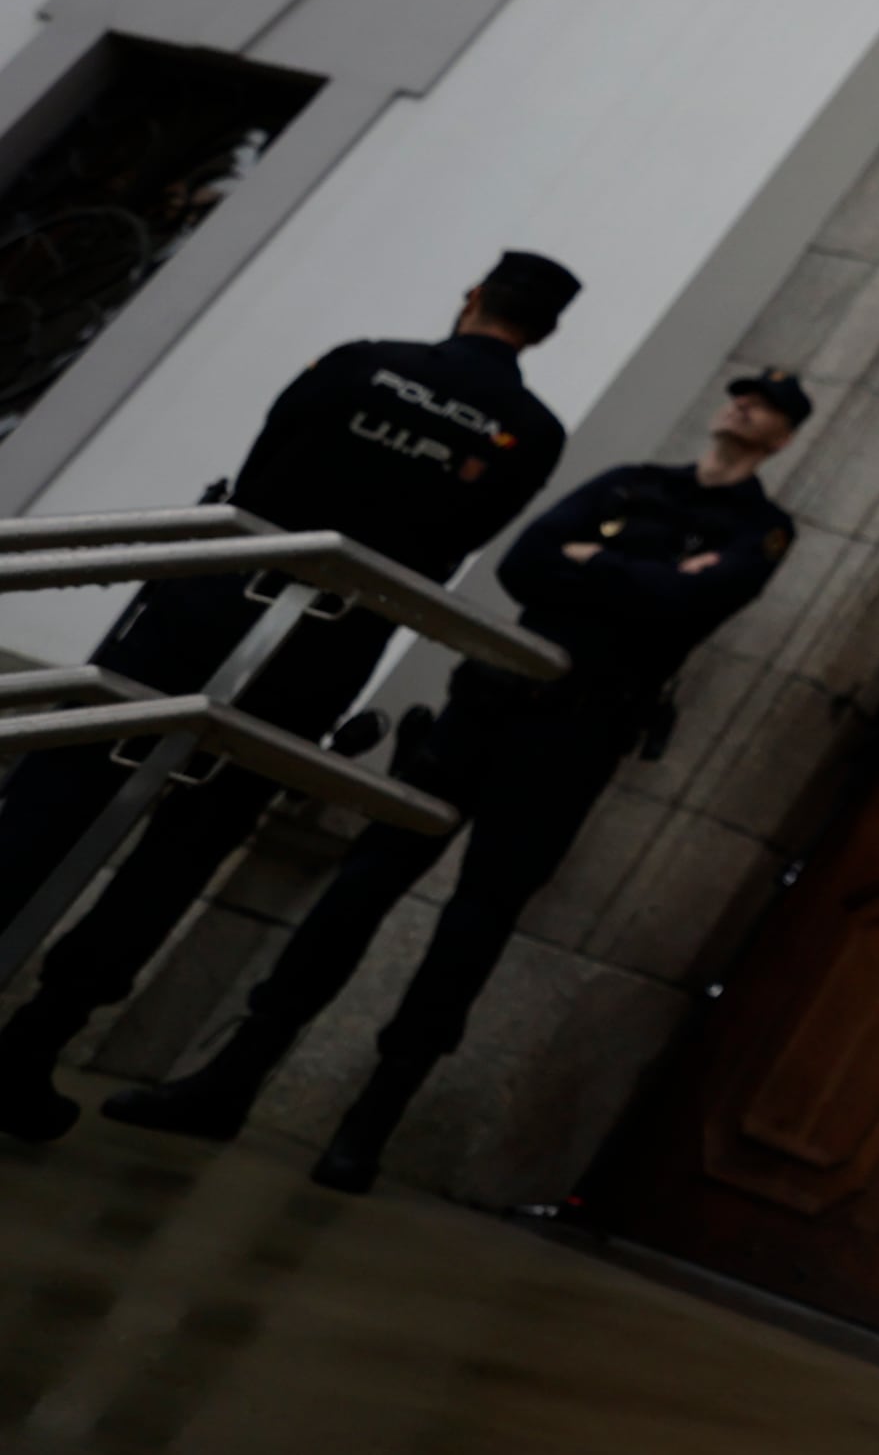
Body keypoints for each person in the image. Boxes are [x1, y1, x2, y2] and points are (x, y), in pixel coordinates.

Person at [107, 369, 807, 1193]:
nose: (739, 405)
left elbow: (684, 608)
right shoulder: (630, 484)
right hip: (488, 707)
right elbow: (526, 565)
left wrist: (598, 562)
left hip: (577, 735)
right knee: (359, 888)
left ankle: (368, 1126)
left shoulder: (760, 529)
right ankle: (231, 1076)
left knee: (474, 924)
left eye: (761, 405)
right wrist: (642, 573)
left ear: (781, 435)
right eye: (738, 393)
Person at [0, 252, 579, 1146]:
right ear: (543, 331)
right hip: (325, 644)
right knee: (194, 835)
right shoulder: (531, 432)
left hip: (208, 591)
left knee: (64, 775)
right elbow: (457, 544)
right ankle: (34, 1042)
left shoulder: (358, 360)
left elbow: (264, 465)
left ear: (471, 295)